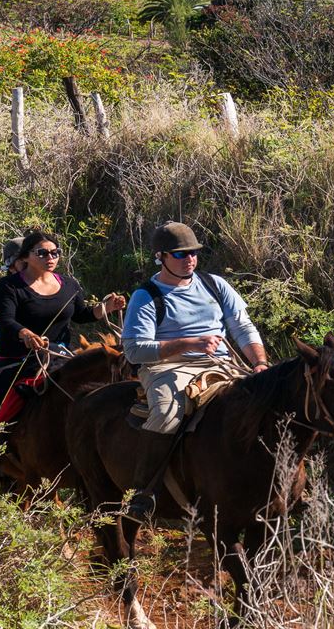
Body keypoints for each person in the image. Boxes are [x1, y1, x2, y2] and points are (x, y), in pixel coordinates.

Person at [121, 221, 268, 518]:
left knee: (271, 402)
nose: (189, 259)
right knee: (166, 415)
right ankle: (143, 492)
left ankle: (285, 484)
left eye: (194, 253)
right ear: (161, 256)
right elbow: (134, 350)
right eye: (180, 254)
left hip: (223, 363)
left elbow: (243, 327)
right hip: (167, 367)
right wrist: (188, 343)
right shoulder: (146, 295)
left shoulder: (215, 284)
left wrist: (260, 364)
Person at [0, 230, 127, 415]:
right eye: (42, 253)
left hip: (58, 354)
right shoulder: (8, 286)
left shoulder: (70, 285)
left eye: (55, 252)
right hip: (16, 358)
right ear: (25, 256)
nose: (50, 257)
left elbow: (81, 315)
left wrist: (107, 307)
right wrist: (26, 334)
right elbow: (6, 321)